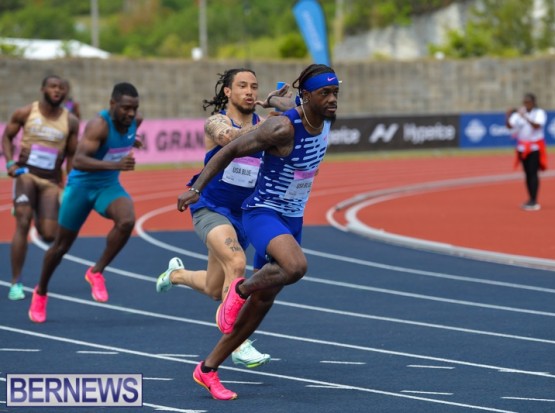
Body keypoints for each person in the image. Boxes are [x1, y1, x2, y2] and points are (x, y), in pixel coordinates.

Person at [176, 63, 339, 400]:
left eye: (335, 92)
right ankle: (239, 290)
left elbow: (286, 102)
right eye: (325, 93)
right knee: (295, 266)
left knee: (263, 303)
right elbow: (231, 148)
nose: (333, 99)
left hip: (292, 218)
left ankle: (207, 369)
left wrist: (269, 100)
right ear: (308, 96)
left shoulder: (321, 117)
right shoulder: (280, 128)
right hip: (262, 212)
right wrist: (196, 188)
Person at [156, 68, 293, 369]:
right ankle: (239, 343)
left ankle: (175, 275)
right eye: (242, 86)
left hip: (244, 215)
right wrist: (268, 125)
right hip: (211, 208)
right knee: (236, 263)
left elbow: (294, 129)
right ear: (228, 92)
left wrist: (279, 109)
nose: (249, 91)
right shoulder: (216, 122)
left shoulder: (266, 126)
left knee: (213, 287)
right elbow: (229, 138)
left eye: (254, 86)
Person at [28, 82, 142, 323]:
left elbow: (125, 136)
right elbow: (79, 160)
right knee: (60, 247)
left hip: (108, 186)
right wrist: (116, 164)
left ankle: (96, 271)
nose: (130, 113)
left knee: (127, 221)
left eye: (134, 108)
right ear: (112, 104)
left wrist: (134, 141)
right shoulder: (98, 125)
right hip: (81, 187)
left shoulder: (135, 121)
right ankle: (41, 292)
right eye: (125, 108)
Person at [2, 75, 80, 301]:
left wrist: (71, 182)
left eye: (61, 88)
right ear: (43, 89)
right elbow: (7, 136)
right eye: (53, 87)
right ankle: (16, 283)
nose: (57, 91)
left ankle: (33, 206)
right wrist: (10, 162)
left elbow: (71, 154)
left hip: (50, 183)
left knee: (49, 235)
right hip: (25, 175)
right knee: (23, 222)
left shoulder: (71, 121)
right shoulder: (26, 112)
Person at [506, 93, 548, 211]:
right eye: (524, 102)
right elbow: (509, 126)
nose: (526, 104)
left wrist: (525, 117)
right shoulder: (519, 114)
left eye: (528, 102)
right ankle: (530, 199)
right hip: (522, 148)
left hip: (534, 148)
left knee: (533, 173)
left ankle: (534, 200)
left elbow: (537, 126)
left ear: (533, 102)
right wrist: (508, 116)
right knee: (527, 174)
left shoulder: (539, 113)